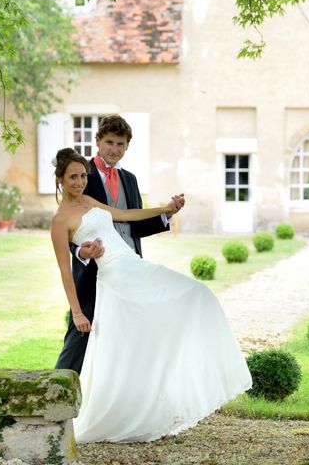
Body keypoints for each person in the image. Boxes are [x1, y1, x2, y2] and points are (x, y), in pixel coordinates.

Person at [51, 148, 252, 443]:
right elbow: (65, 271)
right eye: (73, 177)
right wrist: (78, 312)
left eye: (83, 176)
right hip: (115, 278)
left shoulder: (90, 201)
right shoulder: (59, 221)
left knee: (196, 294)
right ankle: (104, 409)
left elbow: (126, 215)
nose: (80, 182)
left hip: (133, 265)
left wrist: (164, 209)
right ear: (60, 179)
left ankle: (162, 395)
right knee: (131, 339)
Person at [54, 114, 184, 374]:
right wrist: (81, 251)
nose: (114, 150)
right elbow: (69, 230)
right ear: (98, 141)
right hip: (92, 272)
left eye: (120, 144)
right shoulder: (80, 175)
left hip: (129, 266)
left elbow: (130, 219)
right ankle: (54, 393)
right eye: (110, 142)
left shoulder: (130, 180)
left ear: (127, 147)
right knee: (80, 339)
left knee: (130, 336)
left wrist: (166, 213)